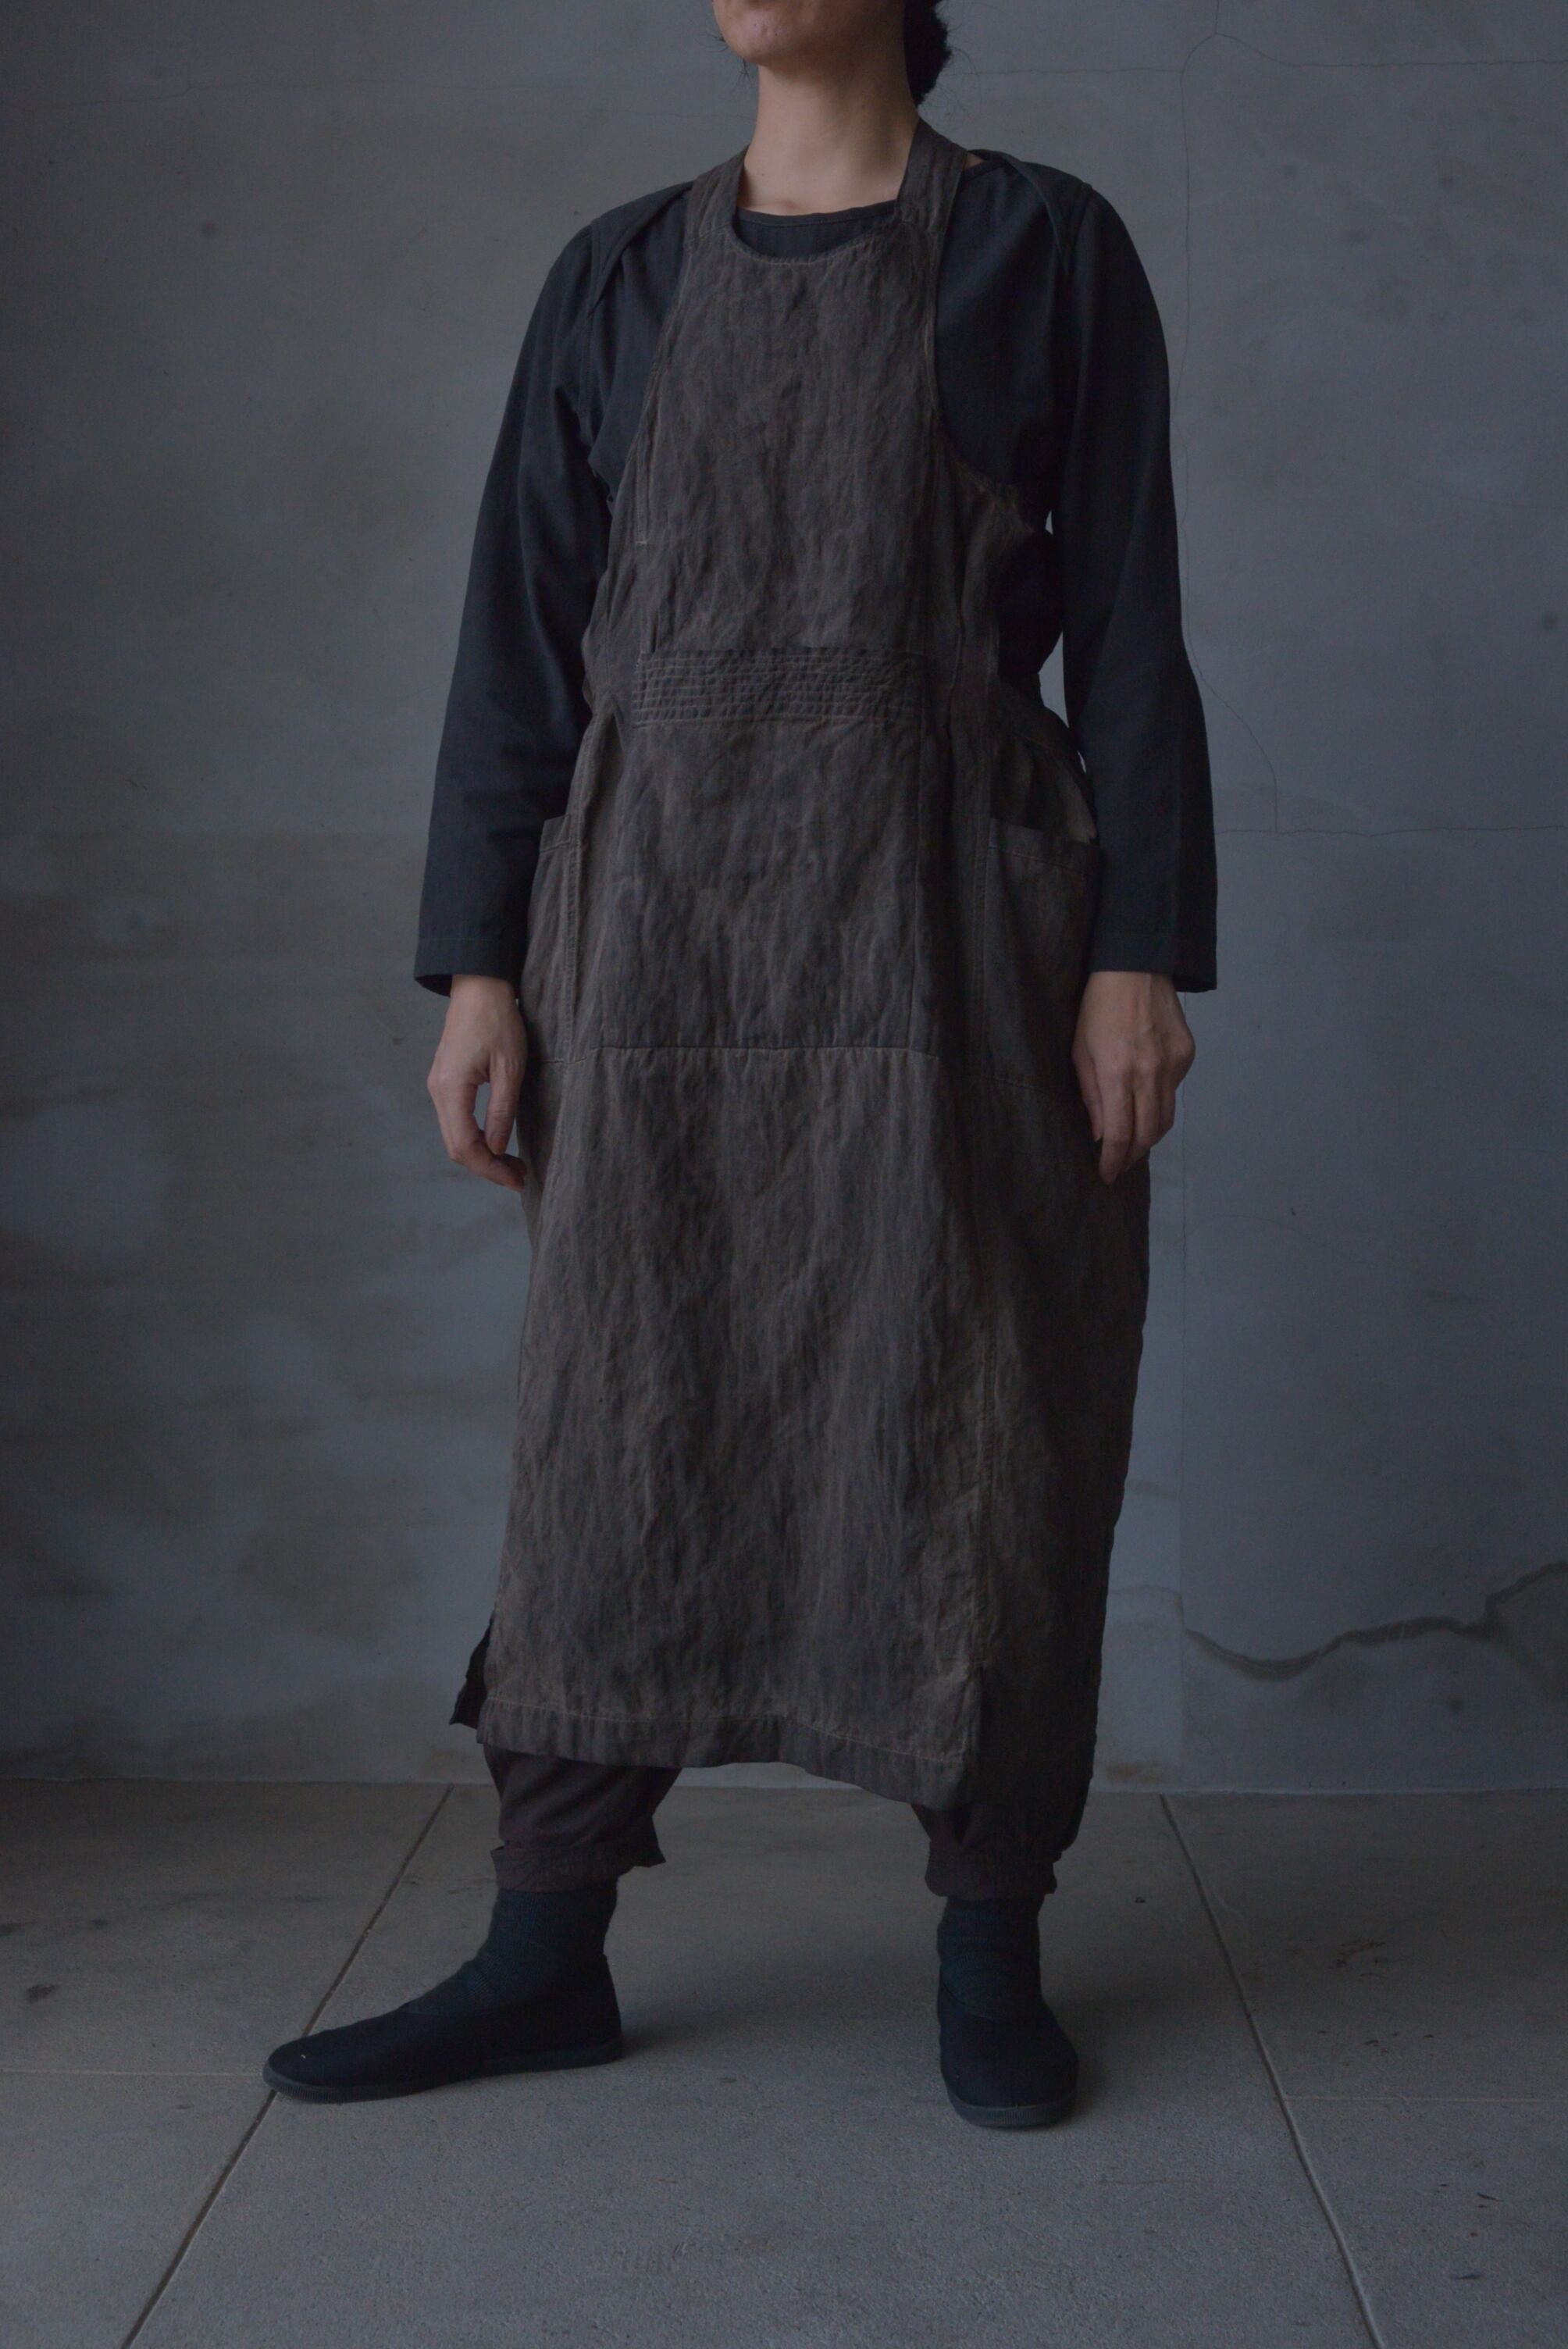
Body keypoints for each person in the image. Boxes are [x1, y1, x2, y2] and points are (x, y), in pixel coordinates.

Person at [265, 0, 1214, 2129]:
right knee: (620, 1407)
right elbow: (519, 633)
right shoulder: (615, 275)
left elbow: (1135, 618)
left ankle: (988, 1948)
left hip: (952, 926)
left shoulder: (1042, 248)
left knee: (979, 1404)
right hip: (659, 935)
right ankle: (544, 1951)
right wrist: (479, 968)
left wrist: (1138, 952)